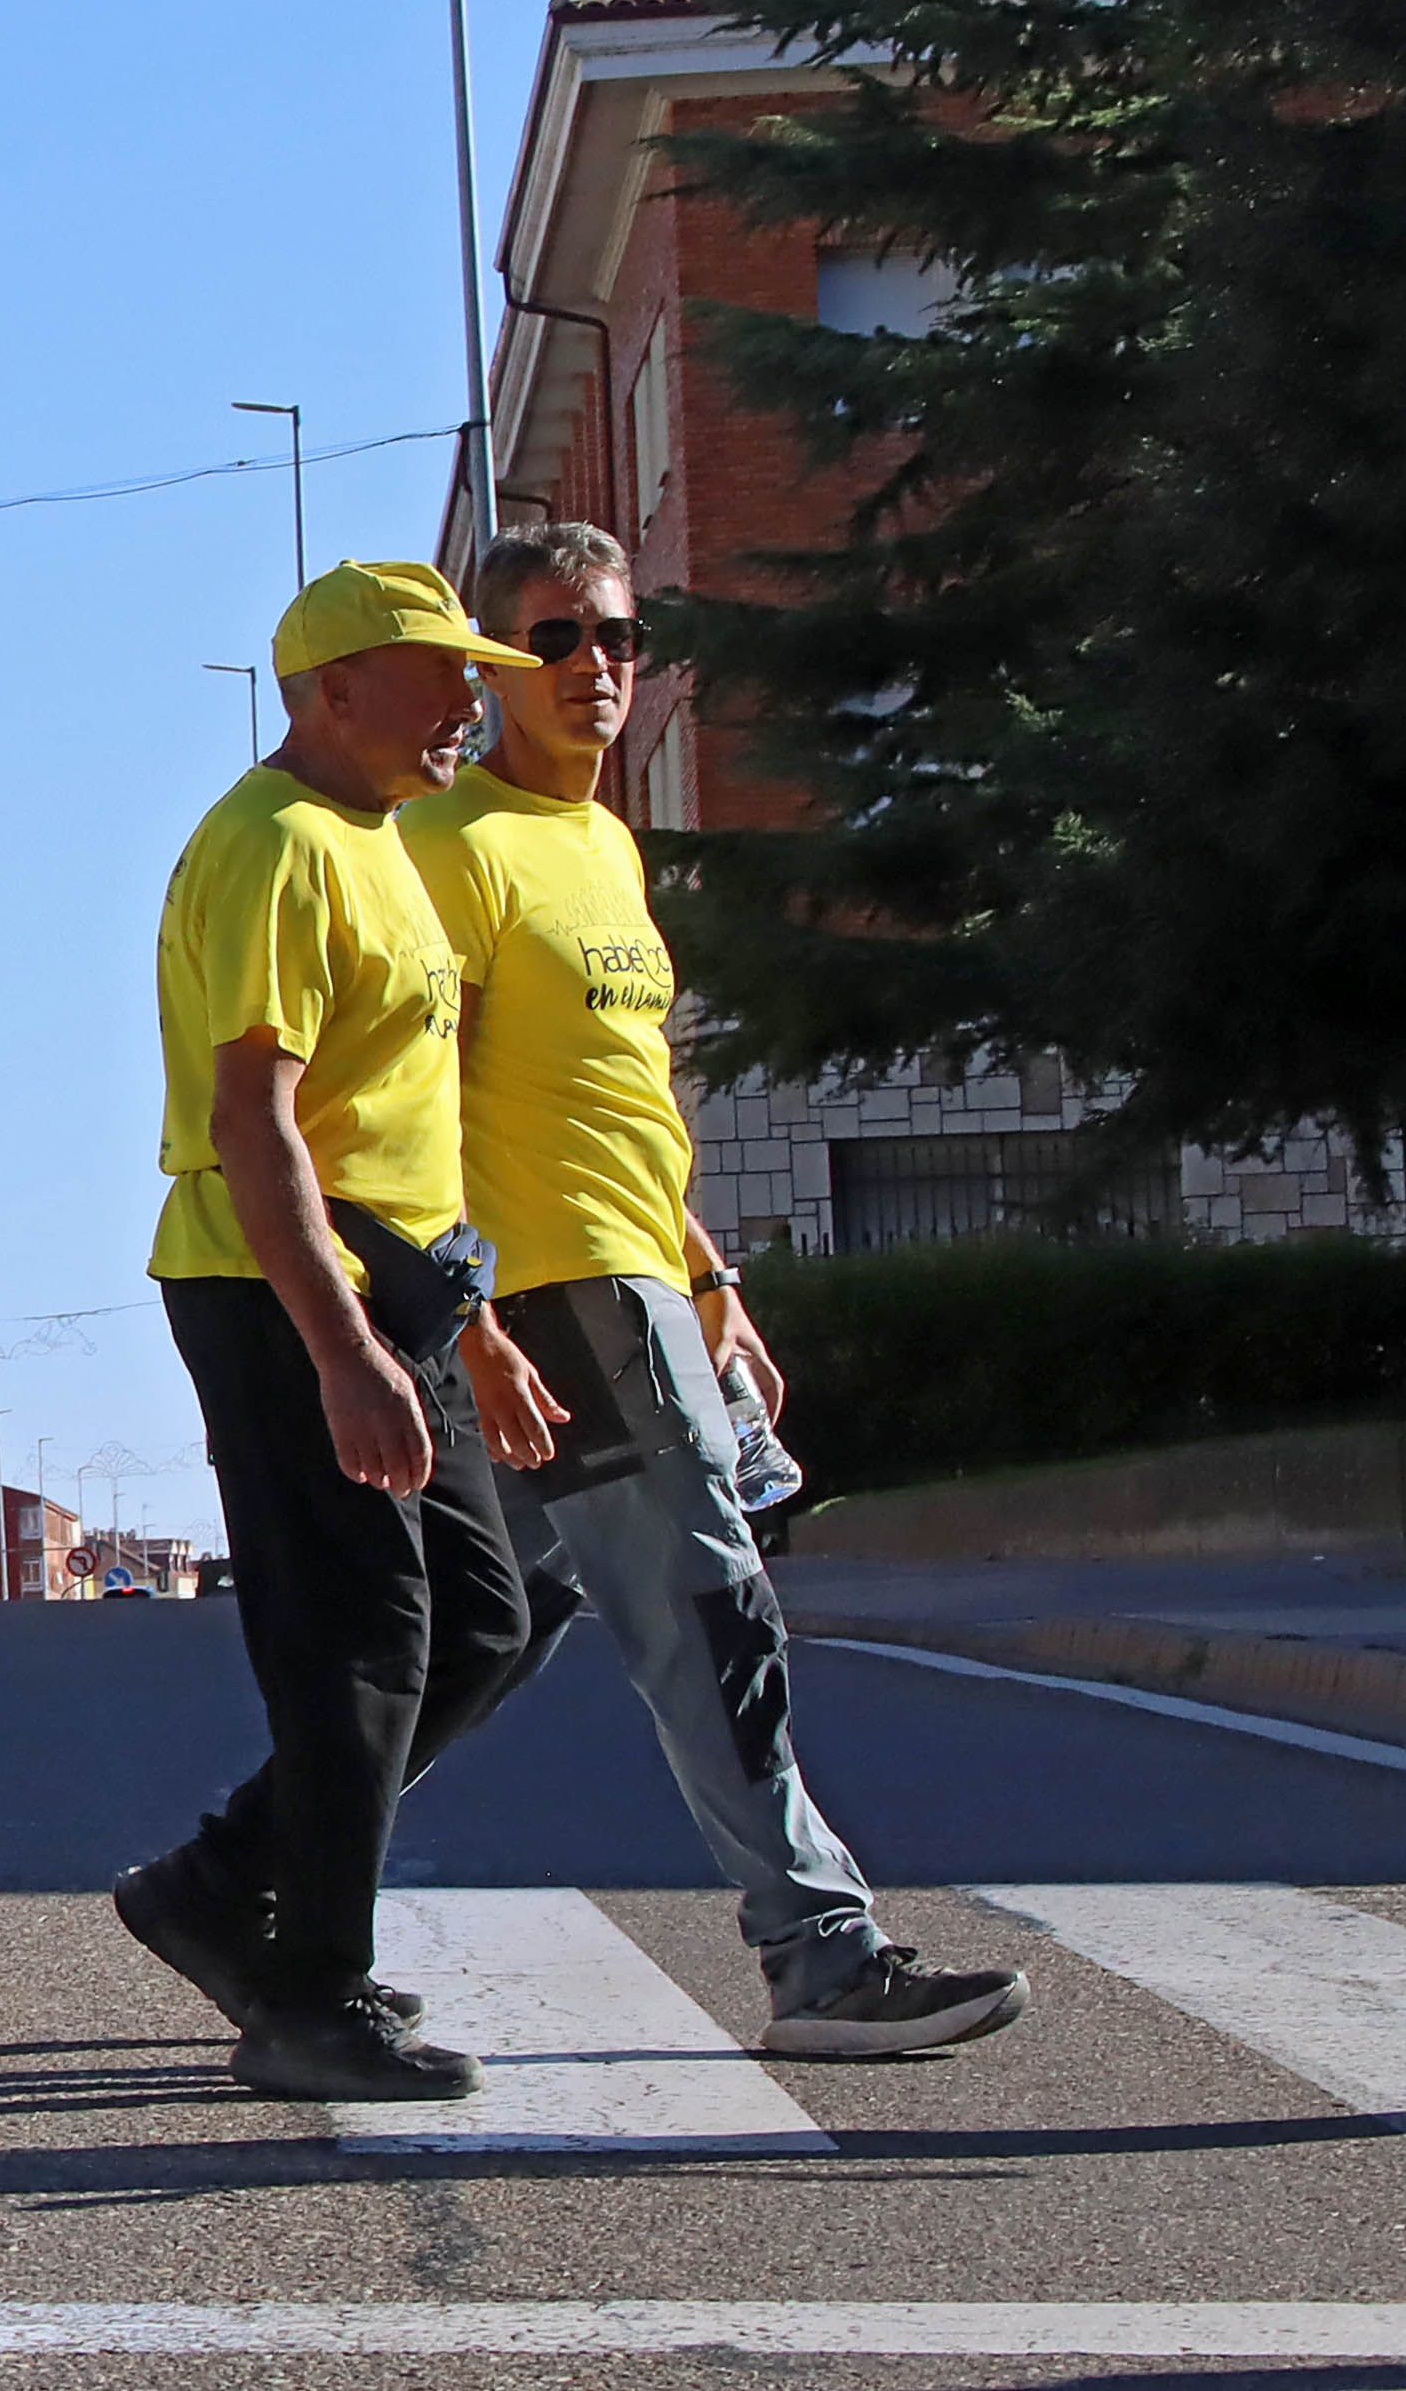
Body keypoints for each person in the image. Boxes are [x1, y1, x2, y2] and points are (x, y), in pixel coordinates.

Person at [401, 522, 1028, 2057]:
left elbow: (619, 1097)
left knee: (489, 1633)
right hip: (557, 1300)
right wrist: (468, 1318)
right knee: (712, 1610)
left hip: (639, 1280)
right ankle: (821, 1955)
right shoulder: (455, 850)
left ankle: (249, 1879)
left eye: (616, 637)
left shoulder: (605, 847)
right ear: (491, 668)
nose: (593, 668)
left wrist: (710, 1269)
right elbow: (416, 1116)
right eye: (551, 640)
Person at [112, 559, 541, 2104]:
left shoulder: (381, 841)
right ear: (332, 687)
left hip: (400, 1294)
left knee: (488, 1624)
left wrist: (462, 1330)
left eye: (472, 672)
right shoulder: (272, 846)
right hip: (283, 1288)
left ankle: (226, 1883)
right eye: (438, 672)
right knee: (357, 1638)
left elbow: (396, 1122)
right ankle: (313, 1997)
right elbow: (257, 1125)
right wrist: (344, 1350)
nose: (469, 701)